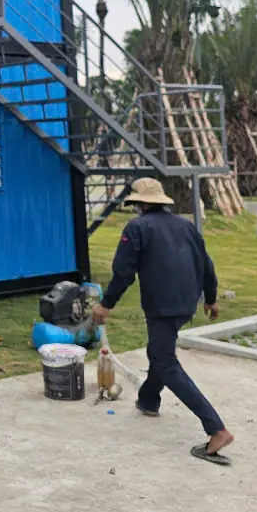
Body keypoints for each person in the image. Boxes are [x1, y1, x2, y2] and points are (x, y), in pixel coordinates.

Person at [91, 176, 234, 466]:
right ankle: (148, 400)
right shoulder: (186, 225)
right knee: (159, 351)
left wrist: (106, 305)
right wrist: (210, 299)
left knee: (164, 360)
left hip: (161, 306)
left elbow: (123, 272)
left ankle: (217, 430)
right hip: (186, 303)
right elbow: (206, 264)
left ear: (139, 204)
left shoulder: (137, 228)